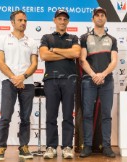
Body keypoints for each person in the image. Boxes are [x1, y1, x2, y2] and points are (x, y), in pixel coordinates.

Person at [0, 10, 38, 161]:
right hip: (9, 82)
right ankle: (0, 147)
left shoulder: (31, 41)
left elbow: (34, 63)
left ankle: (24, 147)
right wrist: (14, 78)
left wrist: (23, 77)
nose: (23, 23)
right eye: (20, 20)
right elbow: (0, 62)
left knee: (25, 118)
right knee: (5, 117)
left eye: (25, 20)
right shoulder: (3, 39)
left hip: (28, 84)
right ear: (12, 22)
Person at [39, 9, 81, 159]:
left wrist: (55, 50)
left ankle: (67, 147)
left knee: (68, 115)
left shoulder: (74, 37)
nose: (62, 21)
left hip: (69, 79)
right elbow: (44, 55)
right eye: (59, 19)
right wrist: (66, 53)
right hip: (51, 80)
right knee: (51, 115)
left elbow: (76, 54)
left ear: (68, 21)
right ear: (54, 20)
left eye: (65, 19)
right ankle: (50, 147)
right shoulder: (46, 37)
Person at [79, 7, 118, 158]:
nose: (100, 18)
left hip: (107, 80)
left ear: (105, 18)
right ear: (92, 19)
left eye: (102, 15)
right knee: (87, 114)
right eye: (97, 16)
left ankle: (107, 147)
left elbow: (114, 61)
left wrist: (103, 74)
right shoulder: (84, 37)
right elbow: (82, 60)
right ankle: (87, 146)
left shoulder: (112, 39)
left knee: (106, 115)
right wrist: (94, 75)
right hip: (89, 80)